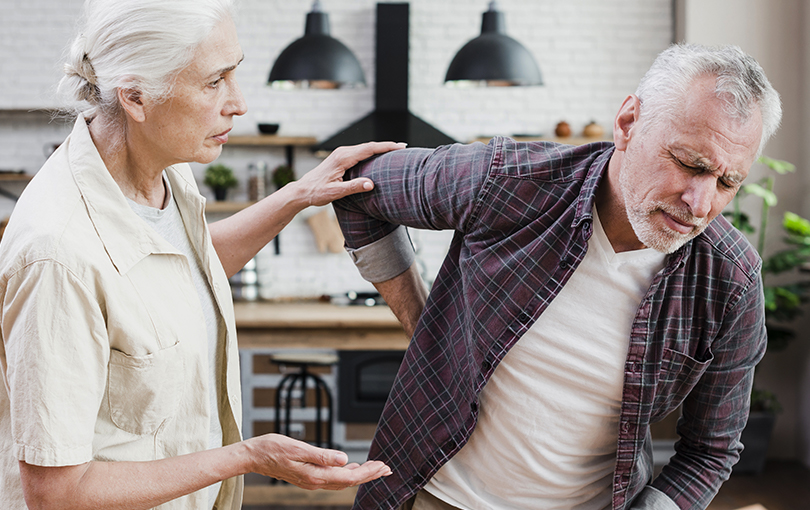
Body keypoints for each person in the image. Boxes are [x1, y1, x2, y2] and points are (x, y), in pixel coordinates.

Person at [333, 43, 782, 510]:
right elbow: (353, 185)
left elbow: (709, 451)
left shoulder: (731, 279)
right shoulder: (508, 181)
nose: (701, 203)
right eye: (691, 163)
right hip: (434, 497)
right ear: (629, 123)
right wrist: (419, 318)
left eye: (728, 183)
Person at [0, 1, 403, 509]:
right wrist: (246, 457)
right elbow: (56, 495)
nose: (238, 104)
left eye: (235, 73)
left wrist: (297, 195)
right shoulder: (56, 256)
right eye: (214, 82)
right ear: (136, 97)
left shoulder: (162, 170)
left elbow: (179, 269)